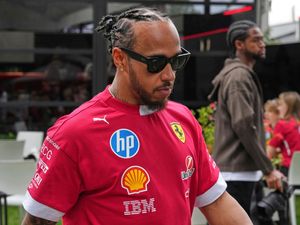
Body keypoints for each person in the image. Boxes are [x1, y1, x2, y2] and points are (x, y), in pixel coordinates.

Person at [21, 7, 252, 225]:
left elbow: (217, 201)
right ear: (120, 58)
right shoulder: (74, 133)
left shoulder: (183, 119)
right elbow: (37, 220)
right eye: (156, 63)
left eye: (176, 61)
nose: (169, 74)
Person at [208, 20, 284, 220]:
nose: (262, 44)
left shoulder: (240, 75)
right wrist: (269, 169)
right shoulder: (239, 77)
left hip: (240, 172)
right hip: (236, 173)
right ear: (239, 44)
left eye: (262, 39)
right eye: (256, 39)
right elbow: (243, 125)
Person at [267, 91, 300, 177]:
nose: (278, 108)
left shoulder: (282, 125)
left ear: (288, 107)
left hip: (290, 169)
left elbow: (270, 152)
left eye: (280, 105)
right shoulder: (297, 123)